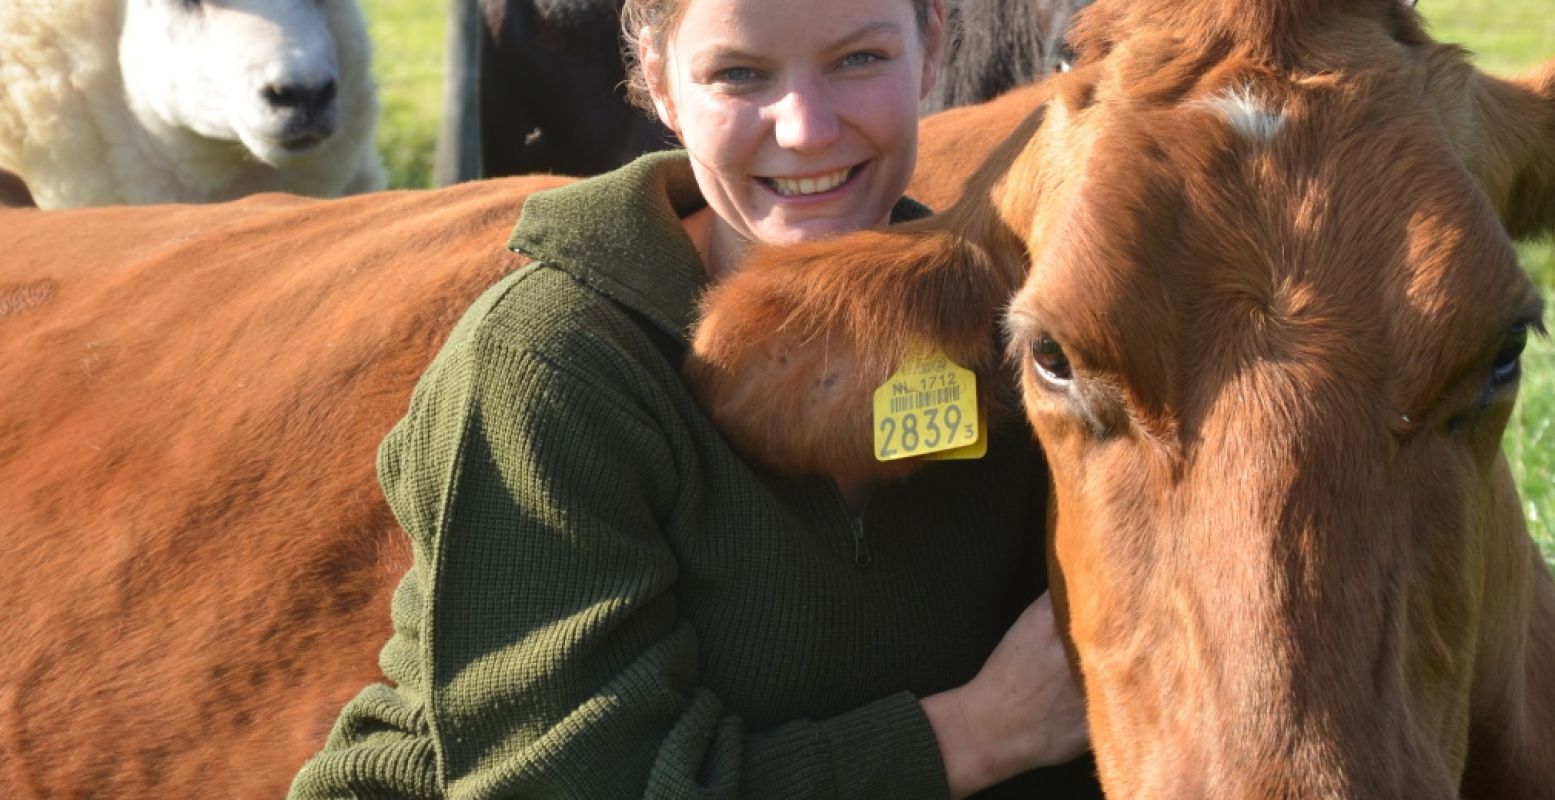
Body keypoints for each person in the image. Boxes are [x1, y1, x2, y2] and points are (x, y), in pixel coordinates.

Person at [288, 0, 1099, 796]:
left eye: (858, 59)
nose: (806, 128)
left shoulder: (1031, 334)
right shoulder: (552, 362)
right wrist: (979, 734)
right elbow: (559, 783)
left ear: (931, 47)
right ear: (661, 83)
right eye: (739, 74)